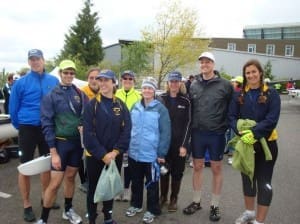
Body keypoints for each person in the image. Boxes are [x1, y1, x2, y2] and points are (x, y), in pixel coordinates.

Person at [9, 49, 59, 222]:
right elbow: (13, 109)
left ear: (44, 60)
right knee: (25, 167)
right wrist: (21, 126)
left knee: (46, 165)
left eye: (38, 59)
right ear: (29, 62)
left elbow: (57, 104)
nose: (35, 62)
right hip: (27, 128)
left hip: (47, 128)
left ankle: (45, 197)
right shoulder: (20, 83)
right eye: (32, 59)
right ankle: (26, 204)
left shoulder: (53, 80)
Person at [228, 59, 280, 224]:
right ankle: (250, 213)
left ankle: (259, 220)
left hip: (267, 145)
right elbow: (231, 117)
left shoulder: (272, 94)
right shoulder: (239, 94)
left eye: (253, 72)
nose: (251, 75)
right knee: (247, 179)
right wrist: (242, 133)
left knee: (264, 182)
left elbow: (272, 120)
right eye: (247, 73)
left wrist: (254, 133)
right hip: (245, 144)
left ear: (260, 73)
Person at [183, 52, 233, 222]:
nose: (204, 64)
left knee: (216, 168)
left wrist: (228, 126)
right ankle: (196, 201)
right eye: (202, 62)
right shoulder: (193, 84)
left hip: (217, 134)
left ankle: (214, 205)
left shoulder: (225, 85)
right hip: (198, 133)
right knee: (197, 166)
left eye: (208, 62)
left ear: (213, 64)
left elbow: (232, 108)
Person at [36, 59, 88, 224]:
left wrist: (83, 125)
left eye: (72, 73)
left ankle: (68, 210)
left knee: (71, 177)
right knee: (55, 182)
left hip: (76, 144)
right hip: (60, 144)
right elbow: (47, 124)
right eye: (66, 72)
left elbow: (86, 115)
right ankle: (43, 219)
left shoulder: (80, 93)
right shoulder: (51, 95)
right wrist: (53, 152)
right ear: (60, 74)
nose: (69, 75)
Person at [83, 69, 132, 224]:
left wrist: (116, 151)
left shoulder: (121, 105)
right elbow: (88, 135)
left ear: (113, 83)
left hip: (114, 156)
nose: (102, 83)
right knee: (93, 189)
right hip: (95, 157)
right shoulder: (92, 105)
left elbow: (126, 131)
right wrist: (103, 155)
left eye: (106, 80)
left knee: (109, 189)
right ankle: (92, 218)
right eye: (100, 80)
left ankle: (108, 217)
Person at [125, 77, 171, 224]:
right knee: (136, 181)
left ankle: (152, 209)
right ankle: (136, 205)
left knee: (152, 184)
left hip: (151, 155)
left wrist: (161, 153)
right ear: (141, 90)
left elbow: (166, 132)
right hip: (134, 153)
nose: (147, 90)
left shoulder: (160, 109)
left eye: (150, 88)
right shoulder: (134, 106)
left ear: (154, 91)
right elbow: (128, 128)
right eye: (144, 88)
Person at [159, 71, 191, 212]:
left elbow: (189, 124)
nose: (174, 84)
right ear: (168, 83)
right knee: (163, 171)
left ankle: (173, 199)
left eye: (176, 81)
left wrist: (184, 145)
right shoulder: (161, 99)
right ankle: (163, 196)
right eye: (171, 81)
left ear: (180, 83)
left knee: (177, 173)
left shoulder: (186, 101)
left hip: (179, 145)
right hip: (164, 145)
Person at [115, 70, 141, 202]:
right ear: (121, 80)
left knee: (129, 164)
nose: (127, 81)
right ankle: (116, 189)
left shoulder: (138, 96)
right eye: (125, 78)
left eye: (130, 79)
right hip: (116, 135)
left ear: (134, 81)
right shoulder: (115, 94)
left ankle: (126, 190)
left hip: (132, 136)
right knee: (117, 162)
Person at [79, 67, 101, 193]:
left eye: (96, 78)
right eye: (91, 78)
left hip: (99, 131)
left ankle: (92, 180)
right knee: (84, 157)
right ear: (87, 79)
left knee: (96, 156)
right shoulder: (81, 92)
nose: (93, 80)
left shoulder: (104, 91)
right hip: (85, 130)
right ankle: (85, 181)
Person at [226, 76, 243, 165]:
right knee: (230, 135)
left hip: (236, 119)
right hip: (232, 118)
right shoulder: (234, 92)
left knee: (233, 136)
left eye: (235, 82)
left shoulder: (239, 92)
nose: (233, 83)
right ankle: (229, 150)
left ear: (238, 83)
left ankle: (233, 154)